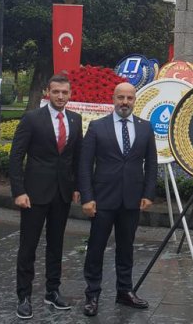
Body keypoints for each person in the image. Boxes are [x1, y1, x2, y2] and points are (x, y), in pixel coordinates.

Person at [79, 82, 157, 317]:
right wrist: (87, 197)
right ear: (113, 99)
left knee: (126, 248)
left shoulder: (145, 128)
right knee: (96, 248)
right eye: (120, 97)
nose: (125, 102)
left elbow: (151, 164)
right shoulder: (97, 127)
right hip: (102, 199)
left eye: (129, 98)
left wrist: (148, 193)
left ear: (135, 100)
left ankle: (125, 291)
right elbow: (84, 165)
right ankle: (92, 294)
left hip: (132, 200)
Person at [9, 73, 83, 320]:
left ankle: (52, 291)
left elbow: (76, 158)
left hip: (61, 194)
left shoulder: (75, 119)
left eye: (65, 92)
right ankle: (24, 296)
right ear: (47, 93)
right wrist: (18, 191)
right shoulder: (32, 119)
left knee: (56, 245)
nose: (60, 96)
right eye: (56, 92)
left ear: (70, 94)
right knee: (28, 246)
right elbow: (15, 156)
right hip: (33, 194)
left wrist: (77, 187)